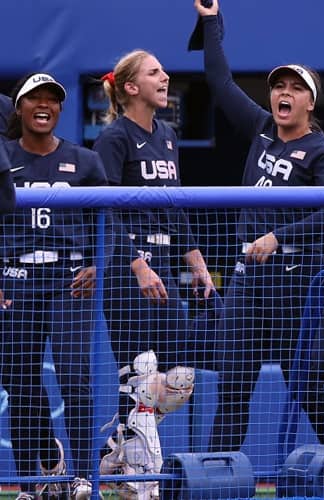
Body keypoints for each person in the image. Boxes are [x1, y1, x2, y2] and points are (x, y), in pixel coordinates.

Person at [192, 0, 324, 454]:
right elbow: (219, 83)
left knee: (307, 386)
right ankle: (217, 478)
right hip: (248, 280)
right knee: (234, 386)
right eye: (278, 86)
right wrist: (210, 23)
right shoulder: (262, 128)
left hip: (297, 283)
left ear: (310, 101)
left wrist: (280, 236)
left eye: (295, 88)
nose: (284, 93)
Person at [92, 49, 215, 499]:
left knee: (181, 378)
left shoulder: (166, 135)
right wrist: (137, 264)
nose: (165, 77)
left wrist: (196, 261)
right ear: (130, 88)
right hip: (129, 273)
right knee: (143, 379)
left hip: (163, 267)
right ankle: (143, 487)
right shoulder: (113, 138)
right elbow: (104, 213)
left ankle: (115, 445)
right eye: (154, 72)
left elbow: (173, 205)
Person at [1, 73, 108, 500]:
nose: (43, 105)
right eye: (34, 99)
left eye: (52, 100)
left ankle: (83, 475)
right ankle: (33, 481)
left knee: (73, 374)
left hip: (70, 279)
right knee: (21, 380)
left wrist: (98, 265)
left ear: (61, 109)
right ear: (18, 108)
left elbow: (109, 220)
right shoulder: (4, 157)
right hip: (16, 278)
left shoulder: (85, 161)